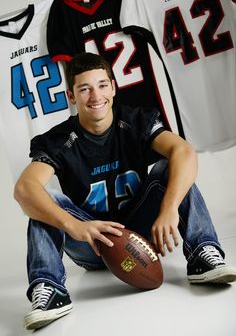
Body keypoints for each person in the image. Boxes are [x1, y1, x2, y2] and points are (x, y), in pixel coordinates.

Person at [14, 52, 236, 331]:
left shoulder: (136, 120)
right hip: (91, 241)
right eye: (85, 88)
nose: (96, 96)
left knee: (171, 166)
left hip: (142, 233)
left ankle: (203, 253)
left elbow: (184, 151)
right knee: (43, 201)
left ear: (114, 86)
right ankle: (49, 289)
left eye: (102, 85)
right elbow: (25, 189)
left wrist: (168, 209)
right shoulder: (58, 140)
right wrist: (73, 225)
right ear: (71, 96)